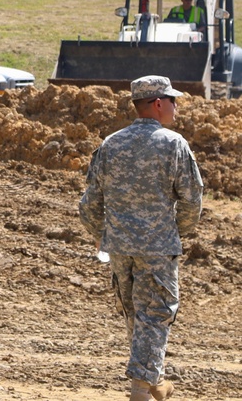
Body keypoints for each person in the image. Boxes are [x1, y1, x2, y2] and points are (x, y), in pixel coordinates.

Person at [79, 75, 203, 401]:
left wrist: (101, 234)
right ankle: (139, 393)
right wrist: (178, 231)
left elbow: (90, 204)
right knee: (155, 314)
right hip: (157, 247)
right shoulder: (173, 144)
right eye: (173, 100)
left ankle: (155, 381)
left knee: (137, 315)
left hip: (119, 246)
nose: (176, 106)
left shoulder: (110, 144)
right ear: (158, 103)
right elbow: (192, 199)